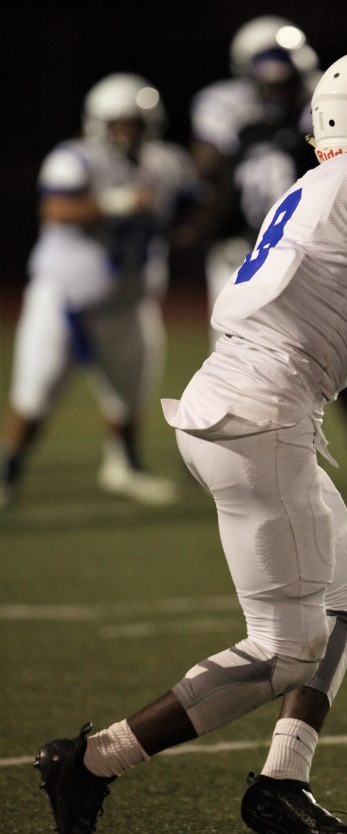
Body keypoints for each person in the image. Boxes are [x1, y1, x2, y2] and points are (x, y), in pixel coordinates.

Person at [35, 47, 347, 834]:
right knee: (287, 651)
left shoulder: (314, 182)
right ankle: (92, 761)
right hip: (265, 417)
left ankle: (282, 784)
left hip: (234, 399)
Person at [190, 15, 347, 506]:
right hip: (253, 253)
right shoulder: (243, 123)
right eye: (270, 84)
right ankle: (237, 462)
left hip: (313, 255)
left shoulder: (319, 122)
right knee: (241, 362)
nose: (278, 92)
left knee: (338, 354)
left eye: (286, 83)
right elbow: (217, 183)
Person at [0, 73, 199, 509]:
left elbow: (191, 209)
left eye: (135, 123)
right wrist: (115, 203)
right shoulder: (75, 158)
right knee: (36, 391)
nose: (127, 132)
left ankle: (124, 466)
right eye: (119, 123)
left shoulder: (167, 163)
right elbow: (56, 209)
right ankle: (9, 468)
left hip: (129, 301)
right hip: (65, 299)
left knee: (129, 395)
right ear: (98, 123)